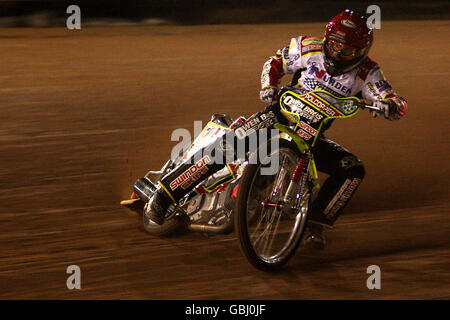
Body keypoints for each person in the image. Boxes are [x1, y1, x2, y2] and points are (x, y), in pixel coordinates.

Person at [145, 9, 407, 249]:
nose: (337, 55)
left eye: (347, 52)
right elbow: (276, 61)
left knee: (352, 168)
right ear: (327, 40)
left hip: (310, 136)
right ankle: (164, 197)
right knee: (227, 147)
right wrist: (268, 85)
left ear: (362, 51)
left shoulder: (369, 72)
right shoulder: (307, 47)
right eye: (334, 46)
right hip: (277, 116)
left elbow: (389, 95)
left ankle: (314, 226)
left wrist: (391, 105)